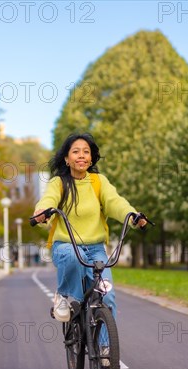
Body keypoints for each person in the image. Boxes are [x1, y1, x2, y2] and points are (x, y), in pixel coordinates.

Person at [33, 133, 147, 323]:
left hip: (96, 250)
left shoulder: (98, 181)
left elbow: (115, 202)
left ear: (91, 158)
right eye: (76, 152)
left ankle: (104, 349)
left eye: (86, 152)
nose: (81, 156)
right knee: (73, 256)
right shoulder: (59, 183)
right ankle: (63, 296)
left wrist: (132, 215)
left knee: (107, 296)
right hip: (65, 246)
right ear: (66, 159)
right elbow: (48, 199)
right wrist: (43, 211)